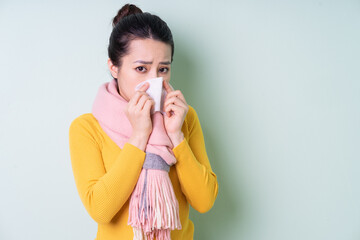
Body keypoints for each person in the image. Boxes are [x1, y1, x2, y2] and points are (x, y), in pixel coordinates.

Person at [69, 4, 218, 240]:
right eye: (141, 68)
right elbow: (100, 210)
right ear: (114, 67)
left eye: (163, 69)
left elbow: (204, 201)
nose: (154, 80)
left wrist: (176, 136)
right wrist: (139, 136)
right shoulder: (87, 128)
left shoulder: (184, 117)